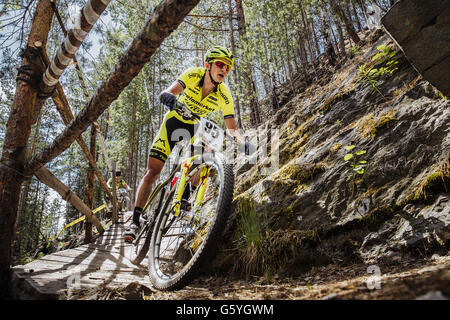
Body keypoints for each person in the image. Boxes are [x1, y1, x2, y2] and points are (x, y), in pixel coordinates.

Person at [123, 45, 253, 242]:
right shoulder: (193, 75)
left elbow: (232, 128)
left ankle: (184, 199)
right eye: (220, 64)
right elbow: (171, 90)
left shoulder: (225, 94)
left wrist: (245, 143)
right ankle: (135, 219)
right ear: (208, 65)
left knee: (204, 159)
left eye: (228, 67)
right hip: (174, 122)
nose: (224, 70)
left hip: (195, 127)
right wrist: (168, 96)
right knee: (152, 173)